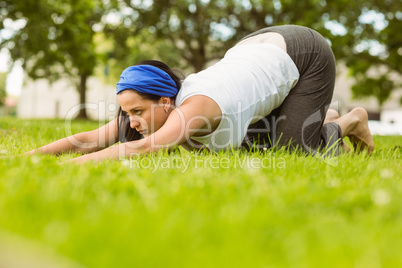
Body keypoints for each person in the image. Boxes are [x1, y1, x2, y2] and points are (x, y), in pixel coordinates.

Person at [26, 25, 374, 163]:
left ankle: (351, 120)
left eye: (136, 112)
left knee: (294, 149)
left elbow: (144, 147)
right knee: (252, 142)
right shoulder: (157, 108)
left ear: (165, 101)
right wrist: (27, 159)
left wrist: (69, 170)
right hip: (254, 48)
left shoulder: (196, 108)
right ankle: (321, 119)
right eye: (126, 112)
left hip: (302, 52)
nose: (131, 122)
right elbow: (90, 137)